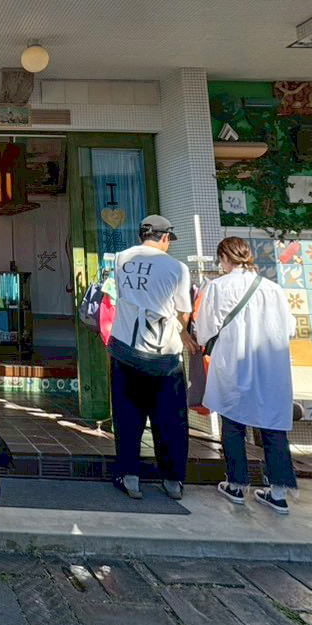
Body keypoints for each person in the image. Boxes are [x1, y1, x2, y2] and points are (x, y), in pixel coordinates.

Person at [194, 237, 298, 515]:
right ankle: (278, 493)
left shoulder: (218, 287)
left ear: (224, 258)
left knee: (233, 422)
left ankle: (236, 484)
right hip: (270, 367)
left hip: (234, 363)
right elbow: (289, 328)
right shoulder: (273, 289)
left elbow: (205, 329)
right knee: (273, 426)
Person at [107, 214, 196, 502]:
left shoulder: (121, 259)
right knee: (169, 419)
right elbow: (183, 312)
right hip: (164, 355)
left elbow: (122, 295)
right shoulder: (177, 268)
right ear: (165, 237)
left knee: (127, 416)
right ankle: (172, 480)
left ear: (140, 235)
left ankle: (130, 477)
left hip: (125, 348)